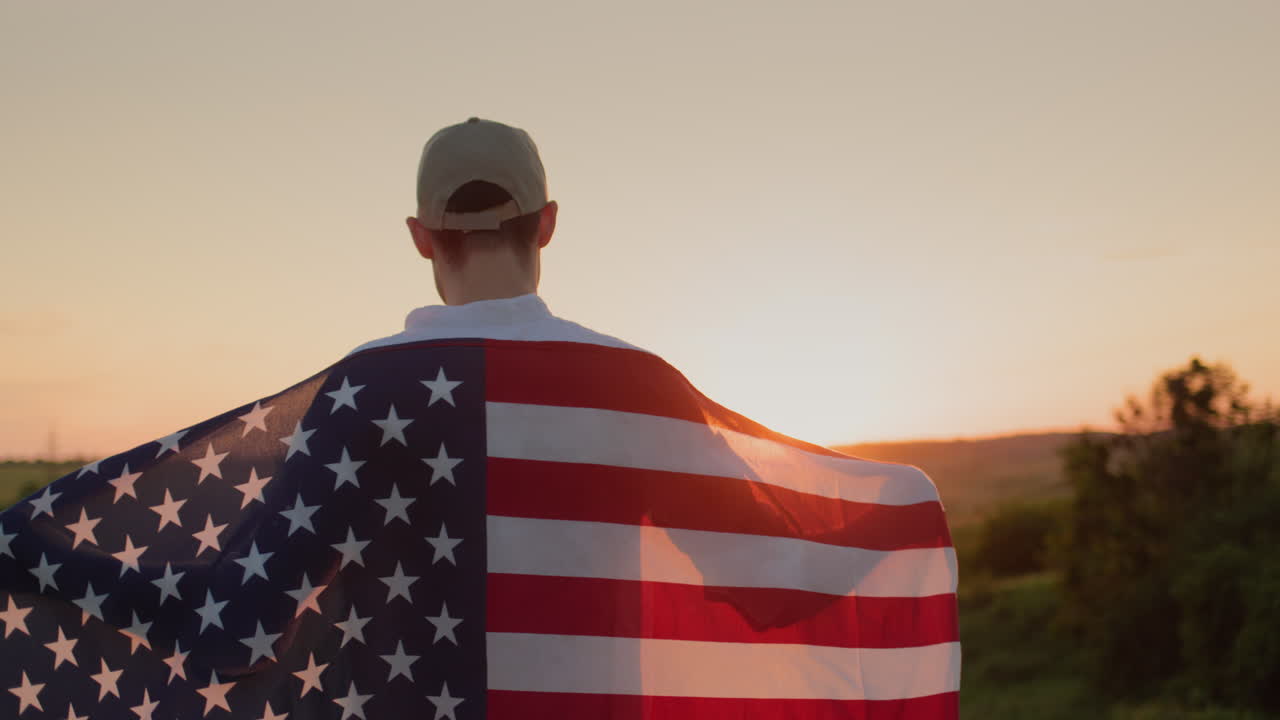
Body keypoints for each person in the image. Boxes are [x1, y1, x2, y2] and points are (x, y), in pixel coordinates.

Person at [0, 118, 959, 719]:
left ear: (421, 239)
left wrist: (32, 553)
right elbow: (768, 588)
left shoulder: (365, 393)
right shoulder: (636, 386)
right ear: (546, 224)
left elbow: (238, 626)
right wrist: (897, 512)